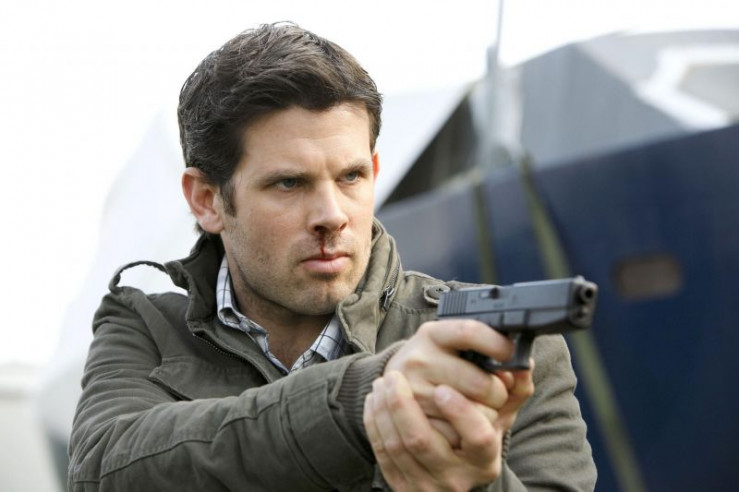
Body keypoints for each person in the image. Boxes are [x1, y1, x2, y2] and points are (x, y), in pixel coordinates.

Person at [68, 22, 596, 491]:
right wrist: (367, 397)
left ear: (374, 171)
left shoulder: (513, 349)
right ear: (207, 200)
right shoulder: (145, 326)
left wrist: (475, 485)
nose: (332, 215)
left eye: (350, 177)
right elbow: (102, 475)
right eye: (289, 183)